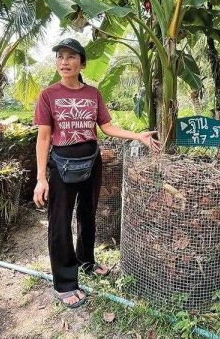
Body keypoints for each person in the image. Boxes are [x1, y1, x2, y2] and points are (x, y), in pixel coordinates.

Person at [33, 37, 159, 308]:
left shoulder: (93, 94)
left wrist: (137, 136)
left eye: (71, 56)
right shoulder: (48, 95)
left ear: (82, 63)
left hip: (91, 161)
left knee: (88, 214)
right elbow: (43, 138)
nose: (64, 62)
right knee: (60, 223)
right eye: (60, 57)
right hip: (61, 165)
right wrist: (41, 178)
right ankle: (65, 283)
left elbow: (106, 127)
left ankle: (86, 261)